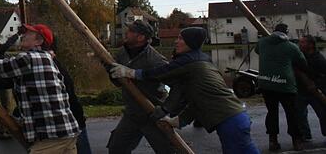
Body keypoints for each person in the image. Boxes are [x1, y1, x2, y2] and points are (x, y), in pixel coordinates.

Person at [110, 27, 259, 154]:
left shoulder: (189, 61)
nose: (176, 41)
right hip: (234, 117)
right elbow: (196, 101)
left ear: (191, 42)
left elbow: (159, 72)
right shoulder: (202, 60)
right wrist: (178, 121)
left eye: (181, 39)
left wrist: (130, 73)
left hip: (229, 120)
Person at [0, 23, 79, 153]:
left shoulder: (30, 58)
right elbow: (31, 97)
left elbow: (1, 66)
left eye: (29, 33)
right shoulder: (46, 59)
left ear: (39, 41)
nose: (23, 35)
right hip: (65, 131)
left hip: (53, 135)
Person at [107, 20, 174, 154]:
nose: (127, 33)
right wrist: (109, 71)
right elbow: (119, 83)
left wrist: (164, 109)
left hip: (152, 114)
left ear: (141, 37)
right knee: (116, 148)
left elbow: (171, 84)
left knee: (166, 151)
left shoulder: (155, 60)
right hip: (132, 114)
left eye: (131, 31)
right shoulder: (122, 53)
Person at [256, 23, 306, 151]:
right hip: (285, 85)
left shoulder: (262, 42)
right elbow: (302, 62)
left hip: (266, 83)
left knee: (272, 112)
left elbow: (257, 51)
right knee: (291, 113)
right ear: (286, 33)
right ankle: (297, 140)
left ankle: (273, 141)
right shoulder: (291, 47)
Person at [47, 37, 92, 154]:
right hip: (66, 120)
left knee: (81, 149)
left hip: (71, 119)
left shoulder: (53, 67)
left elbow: (68, 92)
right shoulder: (49, 64)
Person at [0, 32, 20, 140]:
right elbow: (7, 45)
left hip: (9, 83)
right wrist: (17, 34)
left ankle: (11, 128)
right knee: (6, 108)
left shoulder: (2, 54)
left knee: (15, 106)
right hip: (3, 85)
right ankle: (1, 132)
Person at [296, 35, 326, 141]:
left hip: (315, 91)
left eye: (303, 42)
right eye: (300, 42)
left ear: (311, 44)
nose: (300, 44)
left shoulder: (319, 59)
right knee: (300, 114)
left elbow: (323, 76)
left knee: (322, 113)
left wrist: (316, 86)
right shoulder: (299, 56)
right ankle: (305, 134)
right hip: (300, 90)